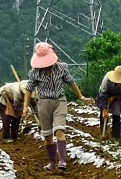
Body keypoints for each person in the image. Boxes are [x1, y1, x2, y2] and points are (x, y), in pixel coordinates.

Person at [23, 42, 94, 171]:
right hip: (44, 103)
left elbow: (71, 83)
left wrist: (81, 97)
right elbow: (29, 89)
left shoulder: (62, 68)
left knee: (60, 130)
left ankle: (62, 161)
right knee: (48, 135)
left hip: (60, 101)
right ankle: (52, 162)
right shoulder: (34, 72)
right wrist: (25, 108)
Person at [97, 65, 121, 140]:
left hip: (117, 96)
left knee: (116, 114)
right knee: (104, 115)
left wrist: (114, 97)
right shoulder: (106, 80)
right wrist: (104, 110)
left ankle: (115, 136)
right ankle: (103, 132)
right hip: (105, 95)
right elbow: (102, 94)